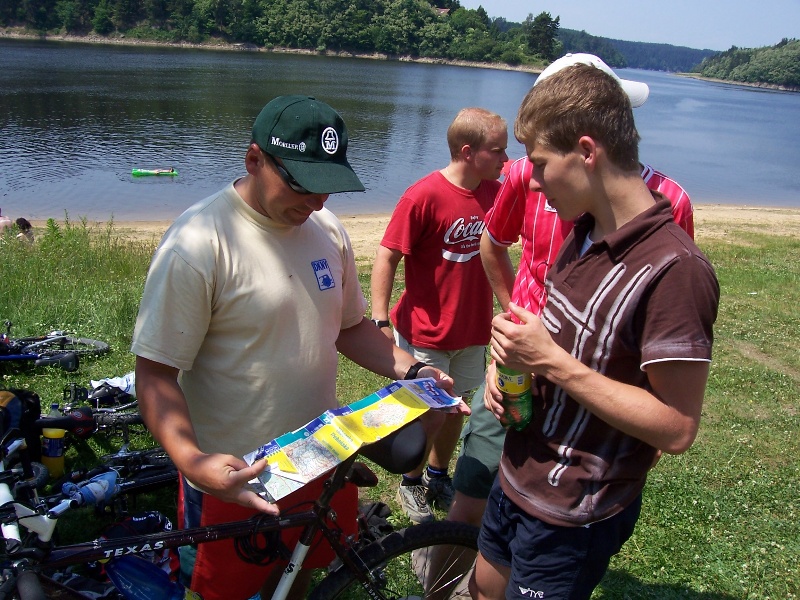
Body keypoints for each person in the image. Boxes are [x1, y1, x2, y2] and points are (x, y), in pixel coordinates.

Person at [131, 95, 465, 600]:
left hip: (317, 456)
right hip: (238, 476)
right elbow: (155, 374)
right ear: (254, 160)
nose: (316, 203)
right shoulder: (199, 245)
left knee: (299, 574)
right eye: (301, 184)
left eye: (327, 188)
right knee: (227, 592)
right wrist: (193, 461)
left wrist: (413, 370)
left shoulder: (327, 231)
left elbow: (349, 327)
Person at [470, 63, 719, 599]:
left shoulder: (675, 270)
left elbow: (676, 428)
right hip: (518, 472)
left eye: (539, 165)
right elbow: (565, 340)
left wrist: (551, 362)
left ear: (587, 151)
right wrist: (508, 362)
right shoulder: (582, 230)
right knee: (483, 589)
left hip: (572, 512)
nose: (531, 182)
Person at [370, 107, 508, 524]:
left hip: (472, 329)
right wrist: (380, 319)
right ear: (468, 152)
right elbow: (386, 255)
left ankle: (435, 474)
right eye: (498, 151)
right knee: (427, 411)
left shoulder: (495, 193)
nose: (505, 160)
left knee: (458, 406)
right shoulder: (423, 195)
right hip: (427, 331)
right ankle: (410, 483)